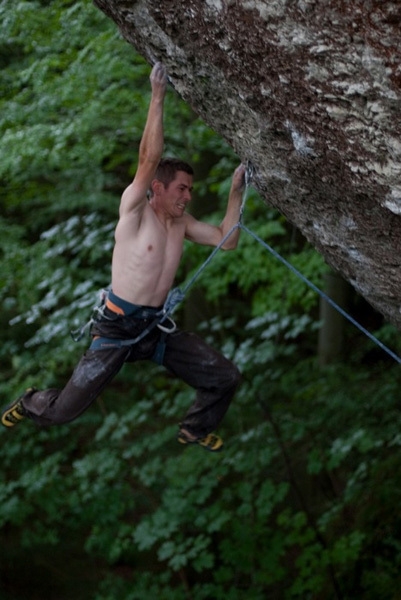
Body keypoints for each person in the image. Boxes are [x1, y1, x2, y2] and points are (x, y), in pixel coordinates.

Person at [1, 62, 245, 452]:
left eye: (190, 191)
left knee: (225, 376)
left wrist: (237, 190)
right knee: (63, 412)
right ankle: (31, 401)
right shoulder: (135, 211)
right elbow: (148, 158)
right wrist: (158, 95)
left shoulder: (183, 225)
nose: (188, 197)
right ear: (158, 188)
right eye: (182, 189)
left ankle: (195, 429)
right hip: (116, 330)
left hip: (155, 329)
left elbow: (227, 240)